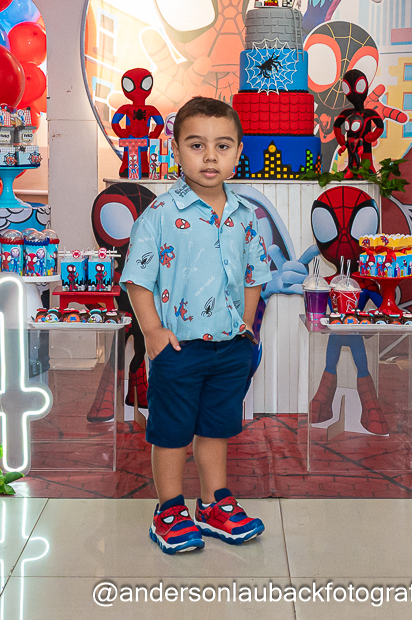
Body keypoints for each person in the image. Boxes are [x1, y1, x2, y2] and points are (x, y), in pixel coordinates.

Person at [120, 96, 271, 555]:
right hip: (178, 348)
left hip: (231, 346)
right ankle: (169, 508)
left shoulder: (245, 215)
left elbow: (254, 277)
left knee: (216, 427)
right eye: (196, 145)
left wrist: (247, 327)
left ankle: (213, 503)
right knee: (172, 432)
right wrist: (152, 332)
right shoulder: (160, 214)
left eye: (222, 146)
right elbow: (137, 279)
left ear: (238, 152)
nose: (210, 156)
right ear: (176, 151)